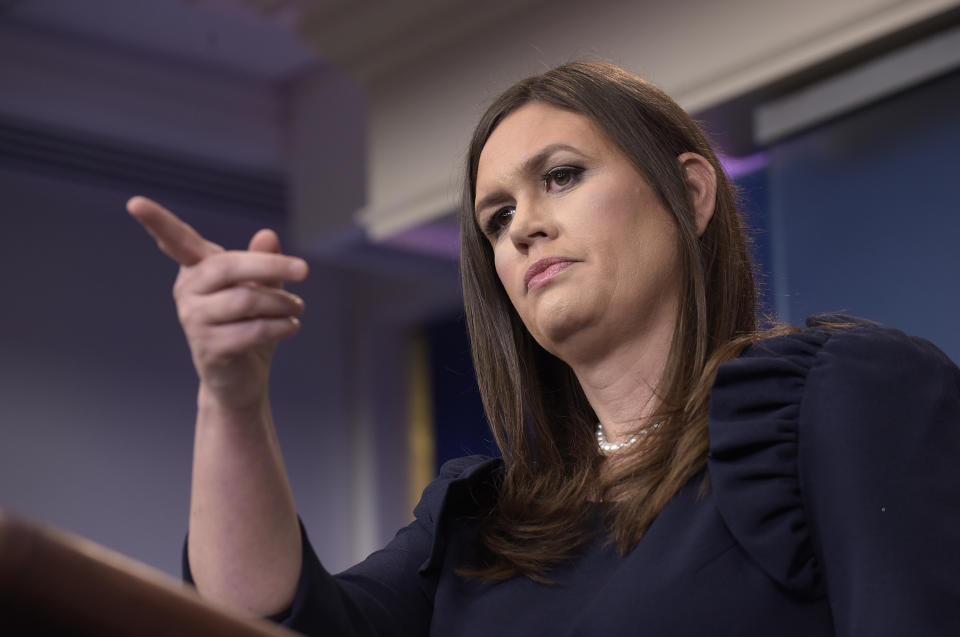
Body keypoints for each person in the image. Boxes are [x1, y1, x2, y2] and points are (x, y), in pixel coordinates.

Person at [128, 62, 960, 635]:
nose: (523, 224)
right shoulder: (477, 525)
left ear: (692, 194)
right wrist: (230, 394)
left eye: (560, 175)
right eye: (496, 218)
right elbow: (263, 620)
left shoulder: (845, 394)